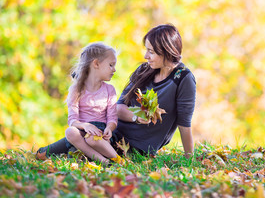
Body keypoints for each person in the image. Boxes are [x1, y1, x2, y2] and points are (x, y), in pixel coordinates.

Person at [37, 24, 196, 159]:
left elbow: (184, 125)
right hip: (109, 134)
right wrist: (136, 117)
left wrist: (190, 160)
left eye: (151, 52)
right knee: (44, 152)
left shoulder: (183, 78)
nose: (146, 56)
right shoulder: (144, 70)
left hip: (133, 147)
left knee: (74, 152)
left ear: (167, 51)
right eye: (146, 50)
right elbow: (118, 108)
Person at [64, 42, 119, 165]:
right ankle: (103, 161)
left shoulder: (110, 90)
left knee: (91, 139)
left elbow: (112, 118)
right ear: (96, 64)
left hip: (100, 134)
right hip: (82, 131)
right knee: (70, 132)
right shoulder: (76, 89)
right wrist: (86, 126)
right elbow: (72, 120)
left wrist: (109, 128)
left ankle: (117, 159)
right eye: (111, 65)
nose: (114, 69)